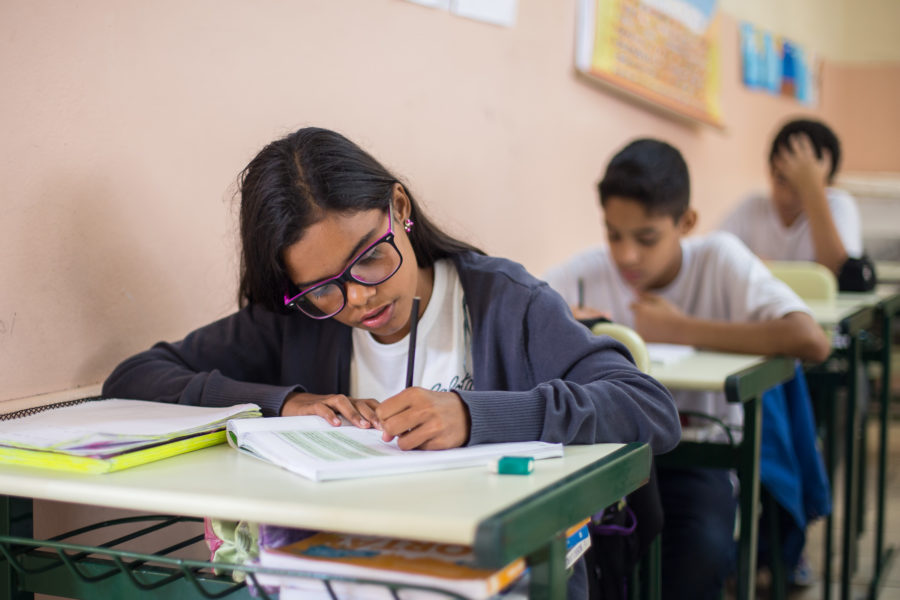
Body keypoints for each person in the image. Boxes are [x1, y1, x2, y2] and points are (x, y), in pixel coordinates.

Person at [102, 127, 681, 599]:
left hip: (501, 576)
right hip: (343, 579)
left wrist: (474, 416)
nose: (357, 299)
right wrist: (285, 404)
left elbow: (648, 407)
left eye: (370, 259)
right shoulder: (297, 320)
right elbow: (133, 379)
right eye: (324, 287)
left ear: (398, 209)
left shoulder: (506, 302)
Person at [543, 138, 831, 600]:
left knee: (701, 552)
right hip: (611, 458)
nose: (626, 256)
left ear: (686, 222)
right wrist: (564, 323)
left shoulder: (720, 259)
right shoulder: (587, 272)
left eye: (646, 238)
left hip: (699, 457)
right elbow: (513, 318)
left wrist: (682, 329)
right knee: (579, 558)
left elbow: (810, 340)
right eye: (614, 234)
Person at [719, 118, 862, 276]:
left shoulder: (838, 204)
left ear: (828, 179)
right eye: (782, 175)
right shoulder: (752, 206)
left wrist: (812, 189)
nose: (789, 171)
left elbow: (841, 273)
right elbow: (716, 255)